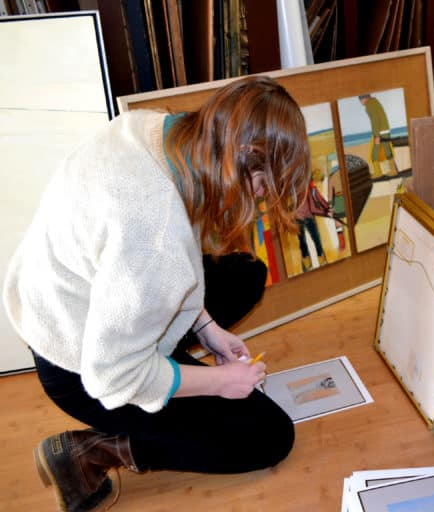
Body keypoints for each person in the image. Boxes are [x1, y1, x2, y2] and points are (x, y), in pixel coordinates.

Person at [2, 76, 311, 512]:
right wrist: (221, 382)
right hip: (79, 362)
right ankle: (93, 451)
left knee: (243, 274)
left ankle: (179, 369)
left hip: (63, 299)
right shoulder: (156, 237)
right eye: (262, 187)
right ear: (241, 160)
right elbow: (112, 376)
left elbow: (164, 260)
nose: (260, 200)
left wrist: (208, 330)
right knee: (268, 436)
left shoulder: (166, 131)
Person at [358, 94, 399, 178]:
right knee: (387, 149)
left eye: (360, 100)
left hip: (380, 132)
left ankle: (378, 172)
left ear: (364, 99)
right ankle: (393, 170)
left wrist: (376, 135)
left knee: (375, 152)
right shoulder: (375, 102)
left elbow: (375, 120)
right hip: (385, 130)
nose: (360, 102)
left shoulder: (370, 105)